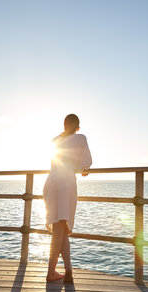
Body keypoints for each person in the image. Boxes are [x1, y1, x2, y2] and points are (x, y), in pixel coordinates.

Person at [43, 114, 92, 282]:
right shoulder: (80, 138)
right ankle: (51, 272)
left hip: (51, 182)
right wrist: (84, 168)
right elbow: (85, 163)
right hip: (66, 183)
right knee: (60, 230)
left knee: (61, 229)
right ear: (77, 127)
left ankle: (68, 270)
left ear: (64, 126)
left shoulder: (55, 140)